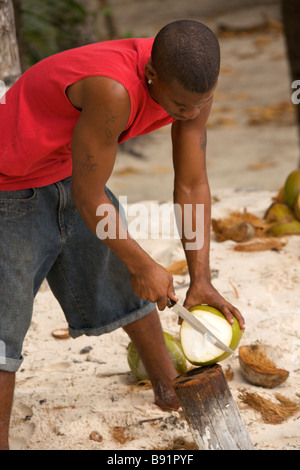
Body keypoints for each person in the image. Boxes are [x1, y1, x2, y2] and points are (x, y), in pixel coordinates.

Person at [0, 20, 245, 450]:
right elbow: (89, 195)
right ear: (152, 76)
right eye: (180, 105)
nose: (190, 113)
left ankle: (169, 386)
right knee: (4, 326)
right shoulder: (114, 91)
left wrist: (201, 278)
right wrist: (143, 262)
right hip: (9, 180)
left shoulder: (192, 84)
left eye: (201, 103)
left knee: (124, 272)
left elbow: (191, 184)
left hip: (69, 166)